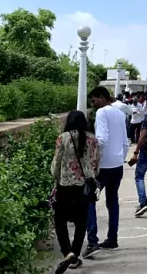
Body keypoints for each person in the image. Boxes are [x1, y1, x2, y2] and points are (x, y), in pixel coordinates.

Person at [51, 110, 99, 273]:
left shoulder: (63, 138)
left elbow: (56, 163)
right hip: (84, 186)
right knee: (81, 221)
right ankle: (76, 254)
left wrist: (56, 178)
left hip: (65, 185)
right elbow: (95, 162)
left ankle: (67, 251)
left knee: (60, 219)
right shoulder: (92, 138)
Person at [84, 86, 128, 258]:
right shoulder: (119, 113)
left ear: (102, 98)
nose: (93, 104)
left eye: (94, 100)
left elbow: (101, 139)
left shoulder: (102, 113)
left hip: (103, 166)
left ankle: (93, 241)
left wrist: (93, 158)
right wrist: (119, 158)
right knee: (112, 201)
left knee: (88, 200)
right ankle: (112, 238)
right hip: (117, 165)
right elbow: (125, 142)